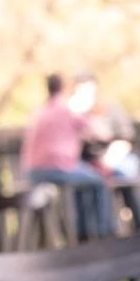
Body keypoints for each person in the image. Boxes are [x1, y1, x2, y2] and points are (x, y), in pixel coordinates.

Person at [20, 73, 113, 239]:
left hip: (33, 171)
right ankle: (103, 232)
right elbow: (98, 132)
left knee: (83, 182)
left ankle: (82, 233)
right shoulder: (67, 109)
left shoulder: (40, 111)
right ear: (63, 88)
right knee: (98, 181)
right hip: (58, 167)